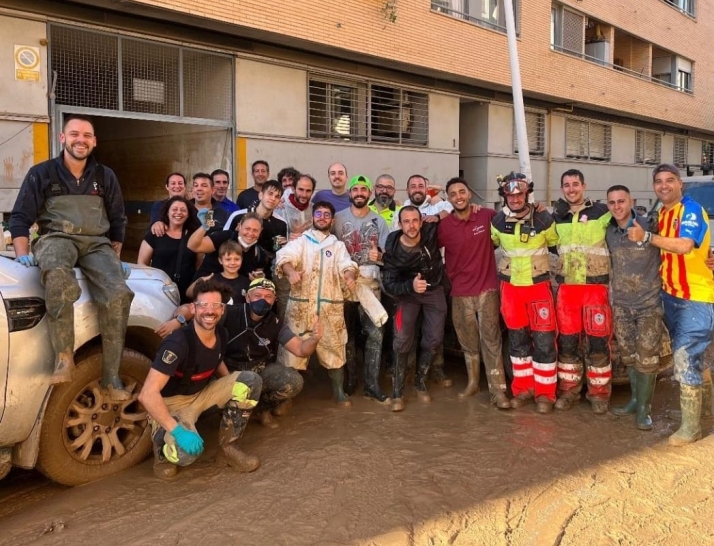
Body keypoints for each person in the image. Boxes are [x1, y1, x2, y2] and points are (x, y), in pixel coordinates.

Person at [10, 114, 135, 399]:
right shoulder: (41, 173)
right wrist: (22, 254)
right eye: (75, 134)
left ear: (94, 142)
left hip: (96, 244)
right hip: (56, 238)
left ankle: (111, 376)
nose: (81, 140)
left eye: (87, 135)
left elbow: (117, 220)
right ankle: (64, 357)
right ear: (63, 138)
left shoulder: (105, 176)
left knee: (119, 295)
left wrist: (115, 259)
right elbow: (20, 217)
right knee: (58, 277)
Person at [155, 278, 323, 430]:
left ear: (274, 301)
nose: (262, 300)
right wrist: (178, 321)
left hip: (260, 369)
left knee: (293, 381)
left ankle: (261, 410)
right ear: (248, 297)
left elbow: (301, 350)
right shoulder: (228, 312)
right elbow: (190, 308)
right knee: (203, 393)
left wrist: (314, 338)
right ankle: (226, 413)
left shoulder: (276, 323)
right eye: (257, 295)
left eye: (268, 296)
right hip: (226, 369)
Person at [138, 278, 263, 480]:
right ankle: (161, 449)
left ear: (222, 309)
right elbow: (147, 395)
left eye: (215, 305)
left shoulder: (221, 333)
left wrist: (234, 390)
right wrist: (178, 432)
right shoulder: (177, 343)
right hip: (172, 403)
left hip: (201, 395)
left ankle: (228, 449)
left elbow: (217, 361)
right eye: (203, 305)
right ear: (194, 309)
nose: (209, 311)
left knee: (249, 382)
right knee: (186, 454)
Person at [627, 164, 714, 446]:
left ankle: (691, 428)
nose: (664, 186)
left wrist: (647, 237)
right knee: (693, 355)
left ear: (680, 184)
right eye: (659, 181)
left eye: (670, 181)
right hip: (671, 296)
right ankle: (705, 409)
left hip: (695, 297)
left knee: (685, 356)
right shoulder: (663, 213)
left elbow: (685, 245)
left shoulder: (690, 209)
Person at [275, 202, 358, 406]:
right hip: (300, 308)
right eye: (318, 214)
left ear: (332, 220)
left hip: (330, 308)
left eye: (326, 214)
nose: (322, 217)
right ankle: (286, 395)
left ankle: (338, 391)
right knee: (291, 353)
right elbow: (285, 256)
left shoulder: (337, 246)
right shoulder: (302, 242)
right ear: (313, 218)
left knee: (334, 350)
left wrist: (348, 276)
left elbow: (347, 264)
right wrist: (291, 272)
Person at [437, 177, 510, 409]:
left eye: (462, 192)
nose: (458, 196)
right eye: (453, 194)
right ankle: (472, 383)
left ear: (469, 194)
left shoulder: (487, 215)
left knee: (491, 340)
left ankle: (498, 391)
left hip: (487, 289)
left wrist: (536, 206)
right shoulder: (444, 226)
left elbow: (516, 215)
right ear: (448, 199)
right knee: (468, 342)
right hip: (459, 292)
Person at [491, 173, 558, 413]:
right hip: (510, 289)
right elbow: (489, 245)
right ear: (505, 195)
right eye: (511, 194)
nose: (516, 198)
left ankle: (545, 394)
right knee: (517, 344)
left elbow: (556, 244)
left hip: (538, 287)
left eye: (520, 193)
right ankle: (523, 390)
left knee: (544, 342)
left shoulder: (543, 219)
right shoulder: (497, 222)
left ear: (526, 193)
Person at [552, 169, 613, 414]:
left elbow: (627, 228)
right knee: (567, 344)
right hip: (567, 289)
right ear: (562, 189)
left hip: (595, 288)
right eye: (566, 185)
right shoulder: (556, 216)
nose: (571, 189)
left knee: (598, 343)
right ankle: (569, 391)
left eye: (575, 184)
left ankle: (599, 395)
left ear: (584, 186)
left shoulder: (602, 212)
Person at [605, 185, 662, 430]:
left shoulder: (650, 225)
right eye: (612, 202)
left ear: (632, 201)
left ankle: (644, 410)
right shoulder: (608, 230)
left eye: (621, 201)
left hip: (649, 304)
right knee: (629, 357)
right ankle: (635, 400)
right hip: (621, 305)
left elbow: (679, 242)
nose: (617, 206)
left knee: (647, 360)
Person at [382, 206, 448, 412]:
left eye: (415, 220)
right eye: (406, 221)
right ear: (400, 224)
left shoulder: (430, 231)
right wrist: (410, 285)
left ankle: (420, 382)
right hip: (406, 294)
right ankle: (398, 391)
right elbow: (390, 284)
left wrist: (438, 215)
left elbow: (450, 211)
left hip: (434, 289)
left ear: (421, 222)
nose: (411, 225)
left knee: (434, 338)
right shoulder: (393, 247)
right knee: (401, 338)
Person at [333, 175, 391, 403]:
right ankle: (349, 380)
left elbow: (389, 257)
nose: (359, 193)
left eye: (363, 190)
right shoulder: (337, 219)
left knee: (376, 334)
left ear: (369, 194)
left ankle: (372, 384)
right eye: (355, 189)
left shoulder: (380, 221)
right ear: (350, 193)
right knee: (346, 336)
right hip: (343, 286)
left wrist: (381, 256)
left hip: (370, 285)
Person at [138, 196, 201, 303]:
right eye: (174, 209)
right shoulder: (155, 234)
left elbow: (198, 265)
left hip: (186, 294)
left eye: (183, 210)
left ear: (188, 214)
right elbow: (142, 263)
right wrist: (154, 281)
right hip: (159, 292)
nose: (178, 213)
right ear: (167, 212)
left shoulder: (194, 237)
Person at [273, 174, 315, 319]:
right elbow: (272, 239)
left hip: (306, 267)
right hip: (284, 266)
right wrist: (290, 235)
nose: (304, 194)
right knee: (285, 309)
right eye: (300, 189)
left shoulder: (314, 209)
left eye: (308, 191)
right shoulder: (281, 207)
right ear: (293, 188)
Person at [186, 240, 250, 305]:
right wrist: (200, 281)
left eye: (237, 259)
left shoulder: (247, 282)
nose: (232, 263)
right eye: (228, 259)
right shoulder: (212, 280)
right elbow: (189, 294)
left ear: (241, 259)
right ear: (220, 260)